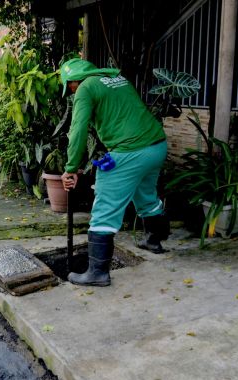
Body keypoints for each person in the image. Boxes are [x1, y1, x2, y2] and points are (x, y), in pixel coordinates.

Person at [59, 58, 170, 287]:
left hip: (130, 151)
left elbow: (78, 130)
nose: (71, 92)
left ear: (72, 82)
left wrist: (71, 168)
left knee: (105, 208)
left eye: (69, 87)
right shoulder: (115, 78)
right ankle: (153, 241)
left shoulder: (85, 88)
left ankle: (97, 273)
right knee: (146, 195)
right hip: (157, 146)